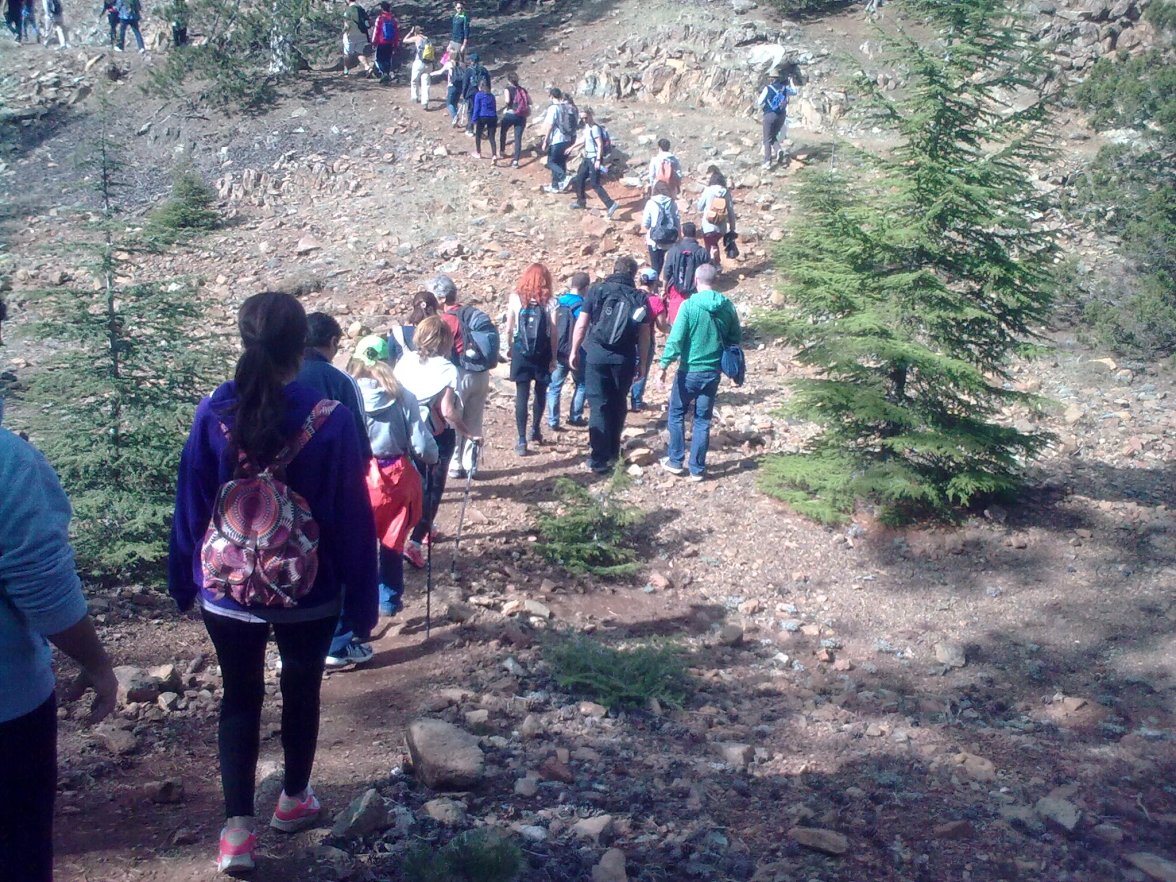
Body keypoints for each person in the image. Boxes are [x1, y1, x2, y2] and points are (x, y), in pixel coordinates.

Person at [169, 292, 378, 876]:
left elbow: (191, 504)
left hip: (227, 589)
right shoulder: (329, 419)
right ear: (300, 348)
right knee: (302, 690)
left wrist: (184, 578)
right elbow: (352, 520)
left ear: (244, 340)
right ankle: (292, 800)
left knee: (239, 697)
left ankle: (237, 832)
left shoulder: (214, 412)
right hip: (308, 590)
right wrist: (362, 603)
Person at [1, 430, 118, 882]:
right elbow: (41, 587)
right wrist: (96, 663)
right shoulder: (9, 461)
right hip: (8, 707)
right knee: (17, 852)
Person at [295, 313, 375, 670]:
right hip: (332, 486)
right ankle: (338, 643)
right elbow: (360, 441)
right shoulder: (340, 380)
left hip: (283, 487)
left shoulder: (282, 375)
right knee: (337, 561)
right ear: (331, 342)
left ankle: (295, 641)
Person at [347, 336, 437, 618]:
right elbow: (422, 445)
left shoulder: (348, 394)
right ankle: (388, 599)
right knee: (392, 540)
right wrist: (433, 458)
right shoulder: (402, 395)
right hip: (397, 477)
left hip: (359, 476)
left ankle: (358, 605)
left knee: (358, 542)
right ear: (389, 360)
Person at [394, 316, 480, 569]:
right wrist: (469, 433)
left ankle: (418, 529)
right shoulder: (446, 368)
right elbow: (448, 411)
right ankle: (415, 543)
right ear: (444, 341)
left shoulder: (405, 361)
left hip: (408, 433)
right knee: (433, 489)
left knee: (415, 484)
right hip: (437, 435)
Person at [654, 264, 741, 481]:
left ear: (695, 280)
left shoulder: (689, 306)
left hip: (689, 371)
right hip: (712, 372)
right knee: (702, 420)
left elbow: (676, 339)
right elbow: (735, 337)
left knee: (676, 414)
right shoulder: (727, 306)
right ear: (715, 281)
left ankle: (675, 461)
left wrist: (663, 366)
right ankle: (697, 469)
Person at [569, 256, 652, 474]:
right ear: (633, 274)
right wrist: (642, 363)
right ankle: (614, 453)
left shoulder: (597, 290)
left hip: (596, 355)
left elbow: (582, 324)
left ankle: (598, 458)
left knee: (598, 405)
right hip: (624, 358)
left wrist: (574, 350)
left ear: (614, 270)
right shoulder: (639, 297)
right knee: (618, 403)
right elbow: (644, 335)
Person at [433, 275, 490, 481]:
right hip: (481, 373)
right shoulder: (470, 314)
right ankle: (471, 464)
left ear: (441, 298)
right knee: (475, 419)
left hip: (460, 374)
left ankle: (455, 464)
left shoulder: (445, 320)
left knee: (455, 418)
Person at [504, 263, 558, 455]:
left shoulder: (515, 298)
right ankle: (535, 429)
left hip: (521, 351)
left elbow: (509, 328)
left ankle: (521, 439)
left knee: (522, 394)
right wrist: (553, 357)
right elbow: (553, 331)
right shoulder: (551, 301)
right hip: (542, 352)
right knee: (540, 392)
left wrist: (510, 348)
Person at [546, 272, 590, 432]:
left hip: (558, 351)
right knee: (582, 383)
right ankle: (575, 416)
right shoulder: (582, 305)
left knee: (554, 386)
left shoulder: (558, 302)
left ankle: (553, 420)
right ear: (586, 287)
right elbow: (584, 328)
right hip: (577, 351)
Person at [629, 267, 668, 412]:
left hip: (626, 337)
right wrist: (672, 329)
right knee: (642, 367)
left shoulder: (630, 294)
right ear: (654, 282)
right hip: (646, 338)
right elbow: (662, 326)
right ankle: (636, 401)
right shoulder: (655, 300)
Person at [569, 107, 619, 218]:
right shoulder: (587, 127)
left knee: (594, 183)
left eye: (586, 118)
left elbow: (600, 144)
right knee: (579, 178)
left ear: (591, 115)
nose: (584, 120)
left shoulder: (595, 129)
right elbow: (584, 139)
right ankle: (581, 202)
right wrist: (572, 147)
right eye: (582, 118)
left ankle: (611, 204)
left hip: (594, 159)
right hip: (587, 158)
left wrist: (598, 160)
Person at [662, 221, 711, 325]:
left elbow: (667, 272)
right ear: (695, 234)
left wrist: (664, 289)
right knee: (694, 320)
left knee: (676, 321)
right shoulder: (702, 252)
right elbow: (707, 271)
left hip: (676, 290)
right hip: (695, 291)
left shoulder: (673, 251)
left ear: (682, 233)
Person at [697, 169, 737, 269]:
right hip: (721, 227)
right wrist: (732, 228)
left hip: (708, 225)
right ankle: (715, 265)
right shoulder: (726, 192)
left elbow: (700, 207)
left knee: (710, 246)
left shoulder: (708, 190)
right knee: (714, 244)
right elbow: (731, 211)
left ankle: (714, 266)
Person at [758, 72, 798, 169]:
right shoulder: (784, 88)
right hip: (781, 116)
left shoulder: (768, 88)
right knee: (773, 136)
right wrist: (791, 81)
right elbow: (795, 92)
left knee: (767, 139)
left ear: (771, 79)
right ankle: (779, 150)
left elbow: (759, 102)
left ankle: (767, 161)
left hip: (770, 115)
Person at [539, 87, 576, 193]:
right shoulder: (568, 107)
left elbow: (550, 126)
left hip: (556, 139)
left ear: (551, 96)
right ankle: (557, 186)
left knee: (551, 162)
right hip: (568, 139)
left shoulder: (553, 108)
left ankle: (564, 177)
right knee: (560, 162)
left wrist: (545, 140)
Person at [642, 180, 680, 277]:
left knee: (655, 266)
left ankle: (654, 284)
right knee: (669, 266)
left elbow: (646, 223)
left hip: (654, 241)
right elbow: (677, 221)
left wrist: (651, 229)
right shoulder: (672, 203)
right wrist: (679, 237)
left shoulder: (651, 203)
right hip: (670, 240)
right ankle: (667, 284)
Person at [498, 72, 530, 168]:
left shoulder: (508, 89)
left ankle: (502, 151)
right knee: (518, 138)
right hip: (521, 116)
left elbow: (507, 101)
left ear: (509, 80)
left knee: (503, 132)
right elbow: (530, 101)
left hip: (510, 114)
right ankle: (516, 161)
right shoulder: (522, 90)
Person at [404, 27, 435, 105]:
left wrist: (410, 32)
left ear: (415, 32)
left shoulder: (416, 38)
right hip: (428, 63)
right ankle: (425, 101)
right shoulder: (427, 39)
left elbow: (404, 40)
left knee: (414, 80)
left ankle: (415, 97)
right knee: (426, 83)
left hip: (419, 62)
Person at [371, 2, 400, 83]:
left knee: (379, 59)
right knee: (387, 59)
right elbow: (396, 33)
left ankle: (384, 74)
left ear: (382, 8)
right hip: (390, 42)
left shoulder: (380, 18)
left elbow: (376, 30)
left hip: (381, 42)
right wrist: (396, 44)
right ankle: (386, 74)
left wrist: (374, 41)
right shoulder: (393, 20)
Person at [462, 52, 490, 135]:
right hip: (482, 92)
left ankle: (470, 129)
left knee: (471, 110)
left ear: (471, 60)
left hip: (471, 93)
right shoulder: (484, 70)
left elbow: (465, 83)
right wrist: (488, 92)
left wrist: (464, 94)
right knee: (480, 110)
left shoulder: (469, 70)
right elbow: (488, 82)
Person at [471, 78, 499, 160]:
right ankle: (494, 155)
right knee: (491, 137)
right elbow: (494, 107)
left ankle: (478, 152)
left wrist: (474, 119)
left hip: (482, 116)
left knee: (478, 135)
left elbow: (476, 108)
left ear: (479, 86)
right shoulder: (491, 95)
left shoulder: (479, 95)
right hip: (492, 116)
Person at [444, 50, 467, 127]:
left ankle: (455, 117)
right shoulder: (462, 64)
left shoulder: (449, 64)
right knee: (455, 103)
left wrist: (431, 74)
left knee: (449, 103)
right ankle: (456, 122)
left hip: (452, 86)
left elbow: (440, 72)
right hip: (460, 86)